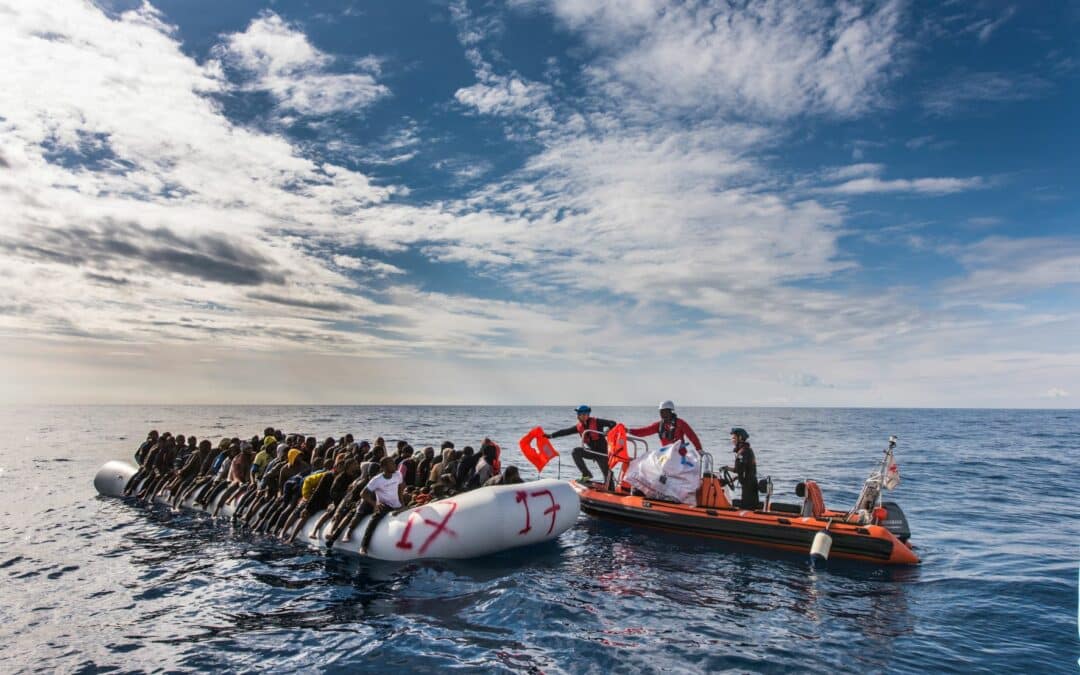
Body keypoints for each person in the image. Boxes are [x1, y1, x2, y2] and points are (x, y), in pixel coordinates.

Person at [547, 405, 618, 483]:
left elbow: (613, 423)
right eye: (579, 414)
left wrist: (608, 430)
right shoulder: (579, 427)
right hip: (592, 452)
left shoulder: (597, 422)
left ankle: (612, 491)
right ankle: (586, 474)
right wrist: (551, 436)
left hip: (602, 453)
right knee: (576, 452)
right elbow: (565, 431)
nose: (581, 416)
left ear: (588, 415)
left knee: (607, 475)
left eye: (584, 414)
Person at [356, 457, 406, 555]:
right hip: (385, 505)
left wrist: (402, 503)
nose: (394, 465)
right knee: (375, 520)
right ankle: (363, 546)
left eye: (393, 462)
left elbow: (400, 488)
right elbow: (363, 494)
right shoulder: (377, 480)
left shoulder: (398, 474)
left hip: (396, 504)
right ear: (383, 467)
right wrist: (375, 504)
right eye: (391, 463)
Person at [628, 400, 703, 453]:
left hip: (680, 455)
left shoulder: (680, 423)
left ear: (671, 412)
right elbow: (644, 431)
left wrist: (699, 449)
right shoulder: (659, 425)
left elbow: (692, 436)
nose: (663, 414)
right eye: (661, 412)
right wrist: (629, 431)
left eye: (665, 412)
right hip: (666, 455)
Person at [724, 427, 759, 509]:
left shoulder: (742, 452)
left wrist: (727, 468)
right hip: (750, 483)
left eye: (734, 438)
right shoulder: (747, 450)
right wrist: (734, 478)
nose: (732, 440)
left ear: (740, 438)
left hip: (748, 485)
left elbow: (738, 470)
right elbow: (744, 470)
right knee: (751, 504)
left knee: (748, 506)